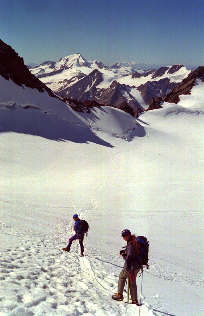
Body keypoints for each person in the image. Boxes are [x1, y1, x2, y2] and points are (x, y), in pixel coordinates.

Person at [112, 229, 142, 305]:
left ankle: (120, 295)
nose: (124, 237)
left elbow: (129, 257)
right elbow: (130, 253)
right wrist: (124, 252)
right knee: (132, 281)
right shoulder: (133, 241)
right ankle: (134, 300)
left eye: (125, 235)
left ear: (129, 235)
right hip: (137, 266)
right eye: (123, 236)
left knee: (122, 276)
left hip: (132, 266)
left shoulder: (131, 244)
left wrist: (123, 256)